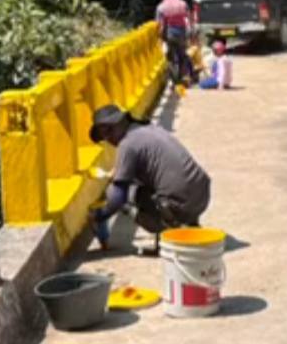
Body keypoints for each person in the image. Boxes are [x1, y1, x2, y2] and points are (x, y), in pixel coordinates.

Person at [88, 105, 211, 250]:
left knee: (117, 193)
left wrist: (98, 217)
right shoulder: (151, 129)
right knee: (150, 183)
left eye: (107, 135)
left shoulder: (127, 145)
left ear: (112, 129)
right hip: (202, 196)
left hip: (181, 205)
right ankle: (189, 223)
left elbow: (118, 197)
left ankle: (171, 225)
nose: (108, 141)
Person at [156, 0, 194, 85]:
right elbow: (189, 19)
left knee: (170, 55)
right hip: (182, 32)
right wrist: (190, 33)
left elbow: (160, 25)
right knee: (182, 55)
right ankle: (184, 76)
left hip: (170, 33)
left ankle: (174, 78)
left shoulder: (161, 7)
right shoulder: (182, 3)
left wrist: (161, 37)